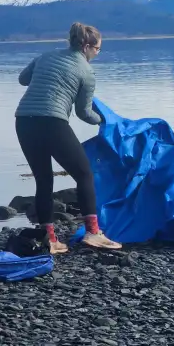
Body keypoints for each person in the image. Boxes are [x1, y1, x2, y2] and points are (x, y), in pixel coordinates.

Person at [15, 22, 122, 254]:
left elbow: (23, 79)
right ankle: (93, 233)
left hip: (23, 120)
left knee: (43, 179)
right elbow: (84, 113)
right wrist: (105, 121)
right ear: (86, 46)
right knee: (84, 174)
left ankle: (50, 239)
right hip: (52, 122)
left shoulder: (47, 55)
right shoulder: (86, 71)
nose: (97, 54)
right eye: (97, 50)